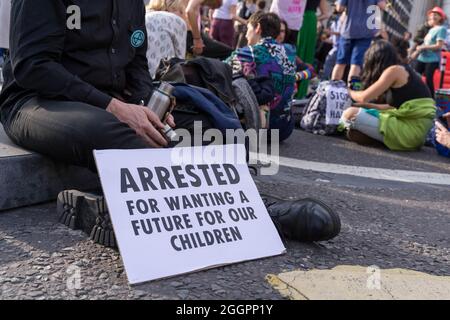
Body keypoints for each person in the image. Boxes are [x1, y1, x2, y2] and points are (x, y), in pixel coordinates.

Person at [1, 1, 340, 247]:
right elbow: (32, 65)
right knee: (114, 131)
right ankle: (265, 213)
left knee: (209, 124)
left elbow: (135, 62)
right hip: (38, 101)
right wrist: (115, 107)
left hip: (109, 101)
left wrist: (151, 104)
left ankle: (108, 208)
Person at [340, 40, 435, 151]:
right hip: (415, 134)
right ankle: (379, 139)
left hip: (410, 130)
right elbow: (392, 107)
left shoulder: (394, 71)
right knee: (354, 126)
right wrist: (365, 106)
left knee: (350, 114)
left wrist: (347, 90)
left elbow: (364, 97)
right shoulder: (401, 69)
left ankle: (377, 137)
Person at [226, 12, 303, 142]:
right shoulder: (290, 51)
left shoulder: (248, 52)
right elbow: (310, 69)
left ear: (257, 28)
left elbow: (219, 68)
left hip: (259, 129)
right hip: (284, 129)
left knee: (232, 76)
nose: (245, 34)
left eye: (248, 29)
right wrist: (296, 76)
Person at [331, 0, 386, 85]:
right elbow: (382, 5)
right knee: (356, 65)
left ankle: (333, 89)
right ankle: (352, 91)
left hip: (347, 31)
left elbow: (339, 8)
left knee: (340, 63)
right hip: (365, 32)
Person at [295, 0, 330, 98]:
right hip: (310, 21)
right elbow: (326, 14)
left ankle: (294, 90)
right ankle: (300, 93)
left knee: (297, 54)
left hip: (299, 19)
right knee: (306, 57)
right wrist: (314, 18)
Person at [145, 0, 188, 78]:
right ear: (173, 9)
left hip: (137, 73)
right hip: (162, 76)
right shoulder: (176, 21)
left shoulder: (143, 15)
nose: (184, 16)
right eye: (182, 12)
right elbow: (180, 58)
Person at [411, 7, 447, 97]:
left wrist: (423, 47)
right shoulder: (430, 30)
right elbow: (424, 42)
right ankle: (413, 95)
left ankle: (430, 99)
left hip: (432, 59)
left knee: (428, 79)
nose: (433, 16)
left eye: (436, 14)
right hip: (422, 58)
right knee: (413, 76)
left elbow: (438, 46)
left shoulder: (441, 29)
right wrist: (415, 51)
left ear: (441, 18)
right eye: (431, 14)